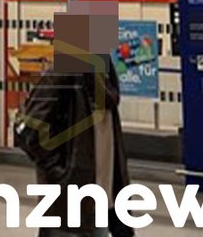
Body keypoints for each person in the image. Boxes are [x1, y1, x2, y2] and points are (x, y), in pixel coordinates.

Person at [15, 56, 131, 237]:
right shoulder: (64, 72)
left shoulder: (105, 76)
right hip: (69, 205)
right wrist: (60, 172)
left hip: (101, 201)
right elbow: (29, 132)